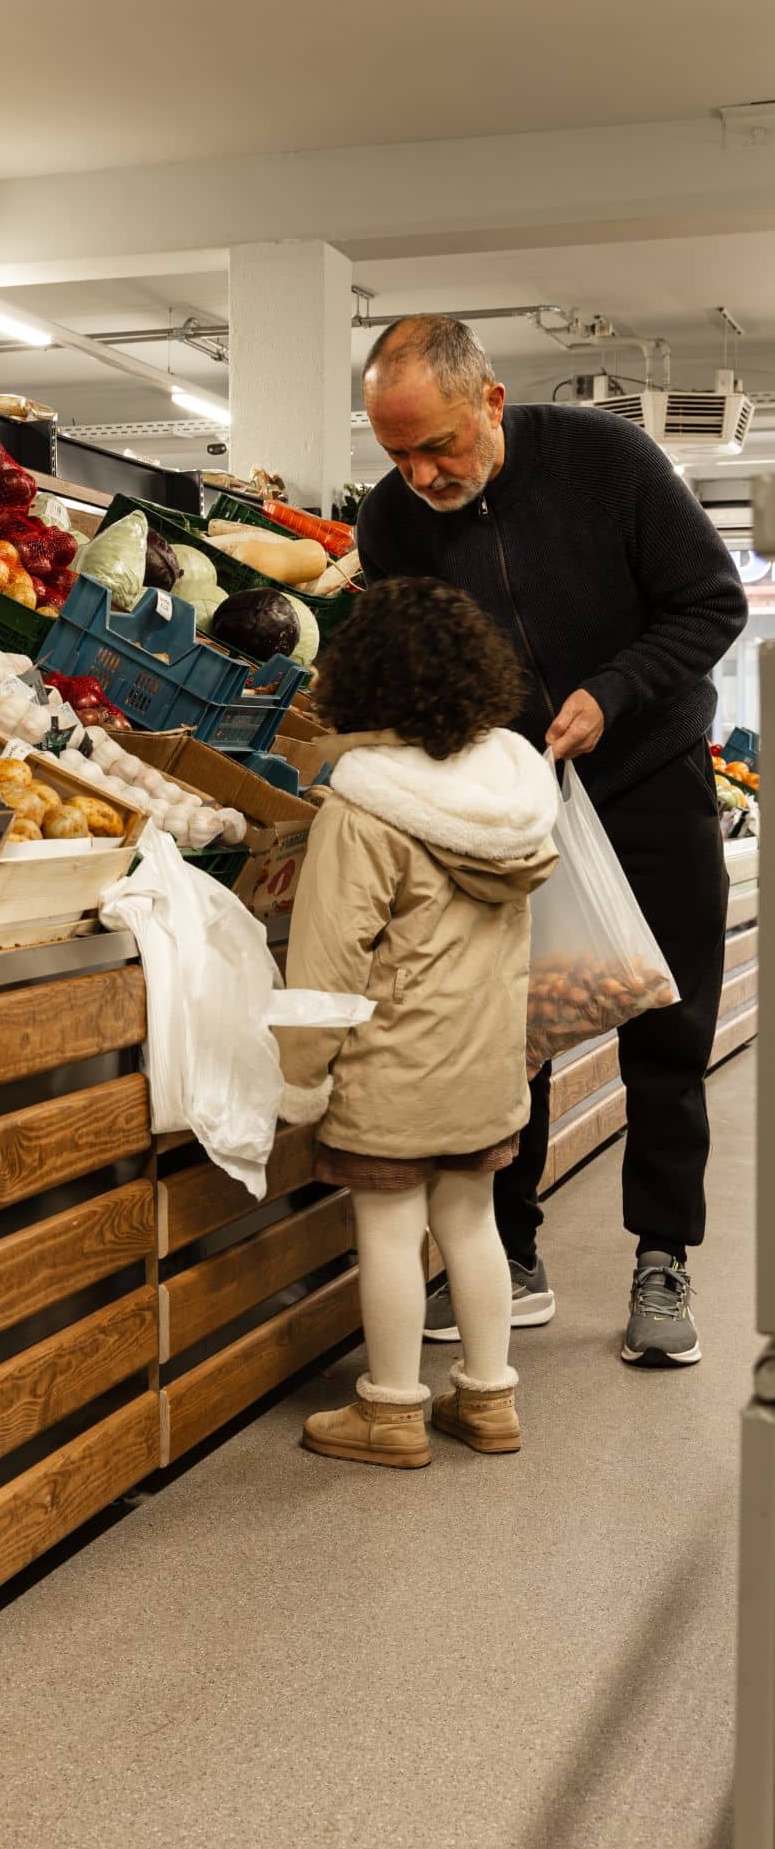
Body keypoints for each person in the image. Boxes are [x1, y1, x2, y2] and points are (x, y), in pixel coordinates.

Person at [355, 316, 747, 1368]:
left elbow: (708, 603)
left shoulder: (605, 460)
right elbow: (412, 662)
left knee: (667, 1027)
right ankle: (510, 1252)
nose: (420, 475)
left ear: (488, 402)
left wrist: (612, 694)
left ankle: (661, 1256)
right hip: (506, 801)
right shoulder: (389, 521)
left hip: (647, 775)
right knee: (506, 1027)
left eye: (437, 445)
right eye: (395, 454)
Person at [278, 579, 557, 1468]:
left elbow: (327, 961)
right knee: (473, 1222)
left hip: (392, 1064)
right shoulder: (513, 798)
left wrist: (300, 1077)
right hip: (486, 1063)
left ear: (363, 678)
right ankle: (489, 1401)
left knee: (391, 1230)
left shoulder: (364, 807)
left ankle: (392, 1411)